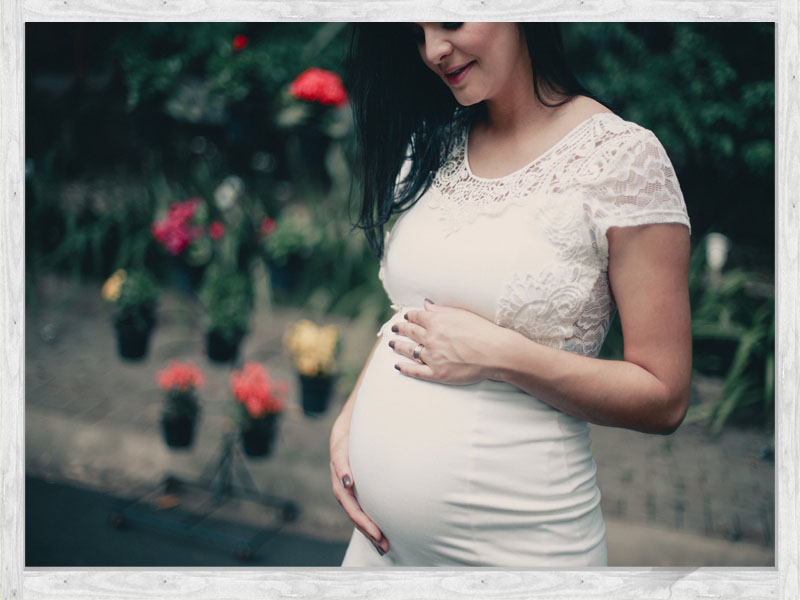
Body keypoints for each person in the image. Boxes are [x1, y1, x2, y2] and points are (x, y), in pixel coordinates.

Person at [329, 22, 691, 567]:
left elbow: (664, 397)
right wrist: (350, 420)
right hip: (379, 553)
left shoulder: (623, 160)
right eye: (418, 31)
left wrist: (500, 355)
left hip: (515, 552)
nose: (433, 50)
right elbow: (409, 313)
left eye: (451, 21)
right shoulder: (434, 143)